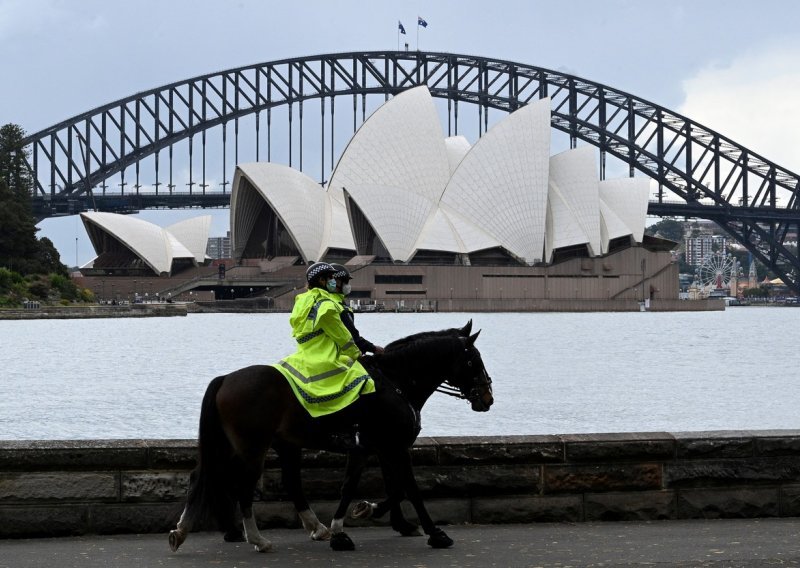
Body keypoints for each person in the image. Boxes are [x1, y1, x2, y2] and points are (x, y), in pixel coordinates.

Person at [273, 262, 375, 418]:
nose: (334, 281)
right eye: (331, 278)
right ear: (322, 280)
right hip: (326, 357)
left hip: (303, 357)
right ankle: (348, 426)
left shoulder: (303, 301)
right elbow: (343, 336)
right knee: (363, 380)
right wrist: (356, 354)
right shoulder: (326, 305)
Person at [330, 263, 384, 355]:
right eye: (346, 282)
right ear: (336, 282)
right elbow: (353, 338)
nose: (348, 285)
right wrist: (374, 348)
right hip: (337, 358)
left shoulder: (323, 302)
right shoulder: (337, 307)